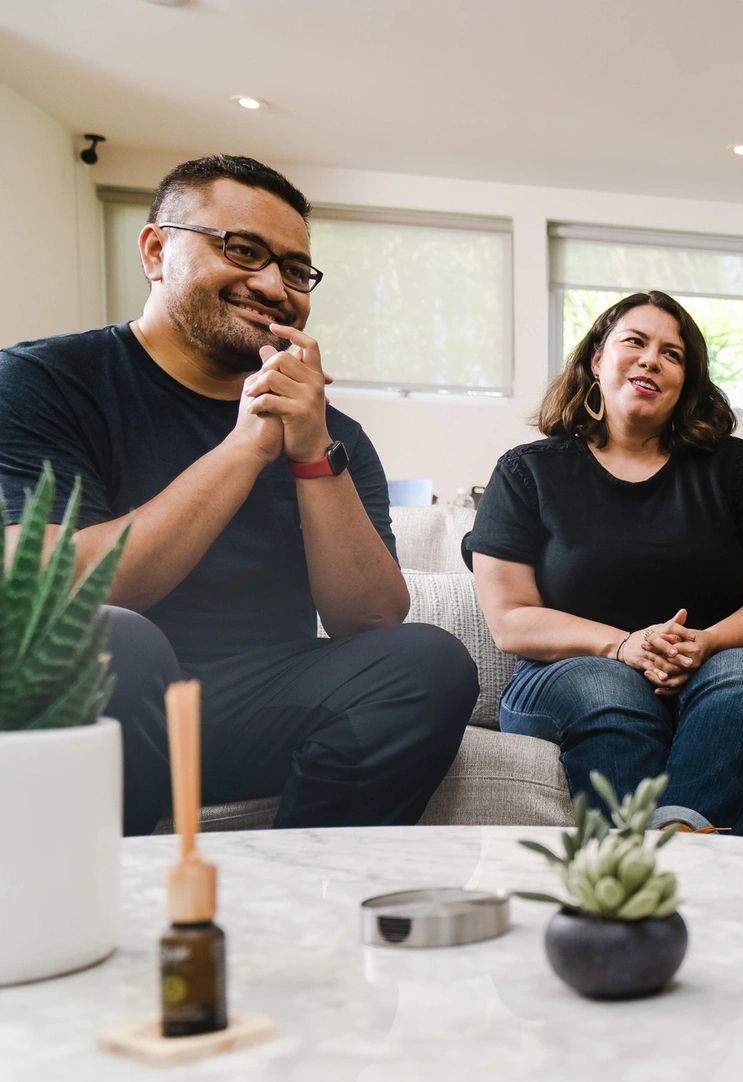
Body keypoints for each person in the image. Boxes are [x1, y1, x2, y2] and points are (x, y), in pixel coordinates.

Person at [0, 154, 475, 835]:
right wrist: (244, 448)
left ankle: (304, 896)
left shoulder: (333, 433)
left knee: (428, 661)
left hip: (256, 706)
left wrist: (311, 454)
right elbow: (57, 596)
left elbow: (370, 622)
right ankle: (115, 911)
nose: (272, 285)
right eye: (243, 250)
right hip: (105, 699)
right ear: (157, 250)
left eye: (294, 269)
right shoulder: (42, 383)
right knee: (114, 641)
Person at [465, 291, 743, 833]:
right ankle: (638, 863)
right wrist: (622, 646)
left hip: (713, 672)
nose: (652, 359)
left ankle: (676, 842)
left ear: (685, 383)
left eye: (673, 354)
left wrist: (704, 644)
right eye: (635, 342)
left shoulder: (736, 467)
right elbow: (511, 620)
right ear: (597, 360)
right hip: (566, 677)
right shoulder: (528, 472)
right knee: (610, 684)